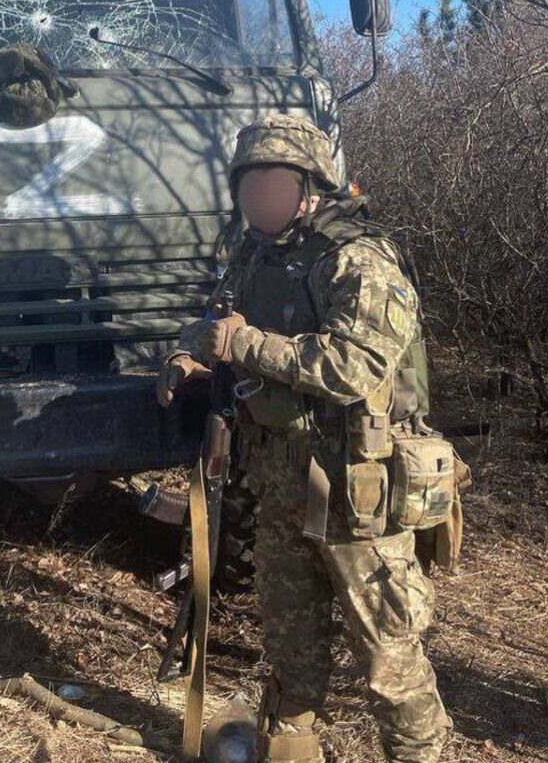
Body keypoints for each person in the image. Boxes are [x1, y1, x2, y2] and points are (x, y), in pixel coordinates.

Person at [156, 114, 448, 762]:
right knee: (291, 647)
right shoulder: (255, 254)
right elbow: (217, 321)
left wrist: (246, 345)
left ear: (311, 188)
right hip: (280, 483)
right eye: (249, 186)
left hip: (356, 490)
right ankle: (293, 751)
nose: (260, 198)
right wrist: (188, 354)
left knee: (389, 661)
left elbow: (356, 365)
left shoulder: (357, 260)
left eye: (274, 184)